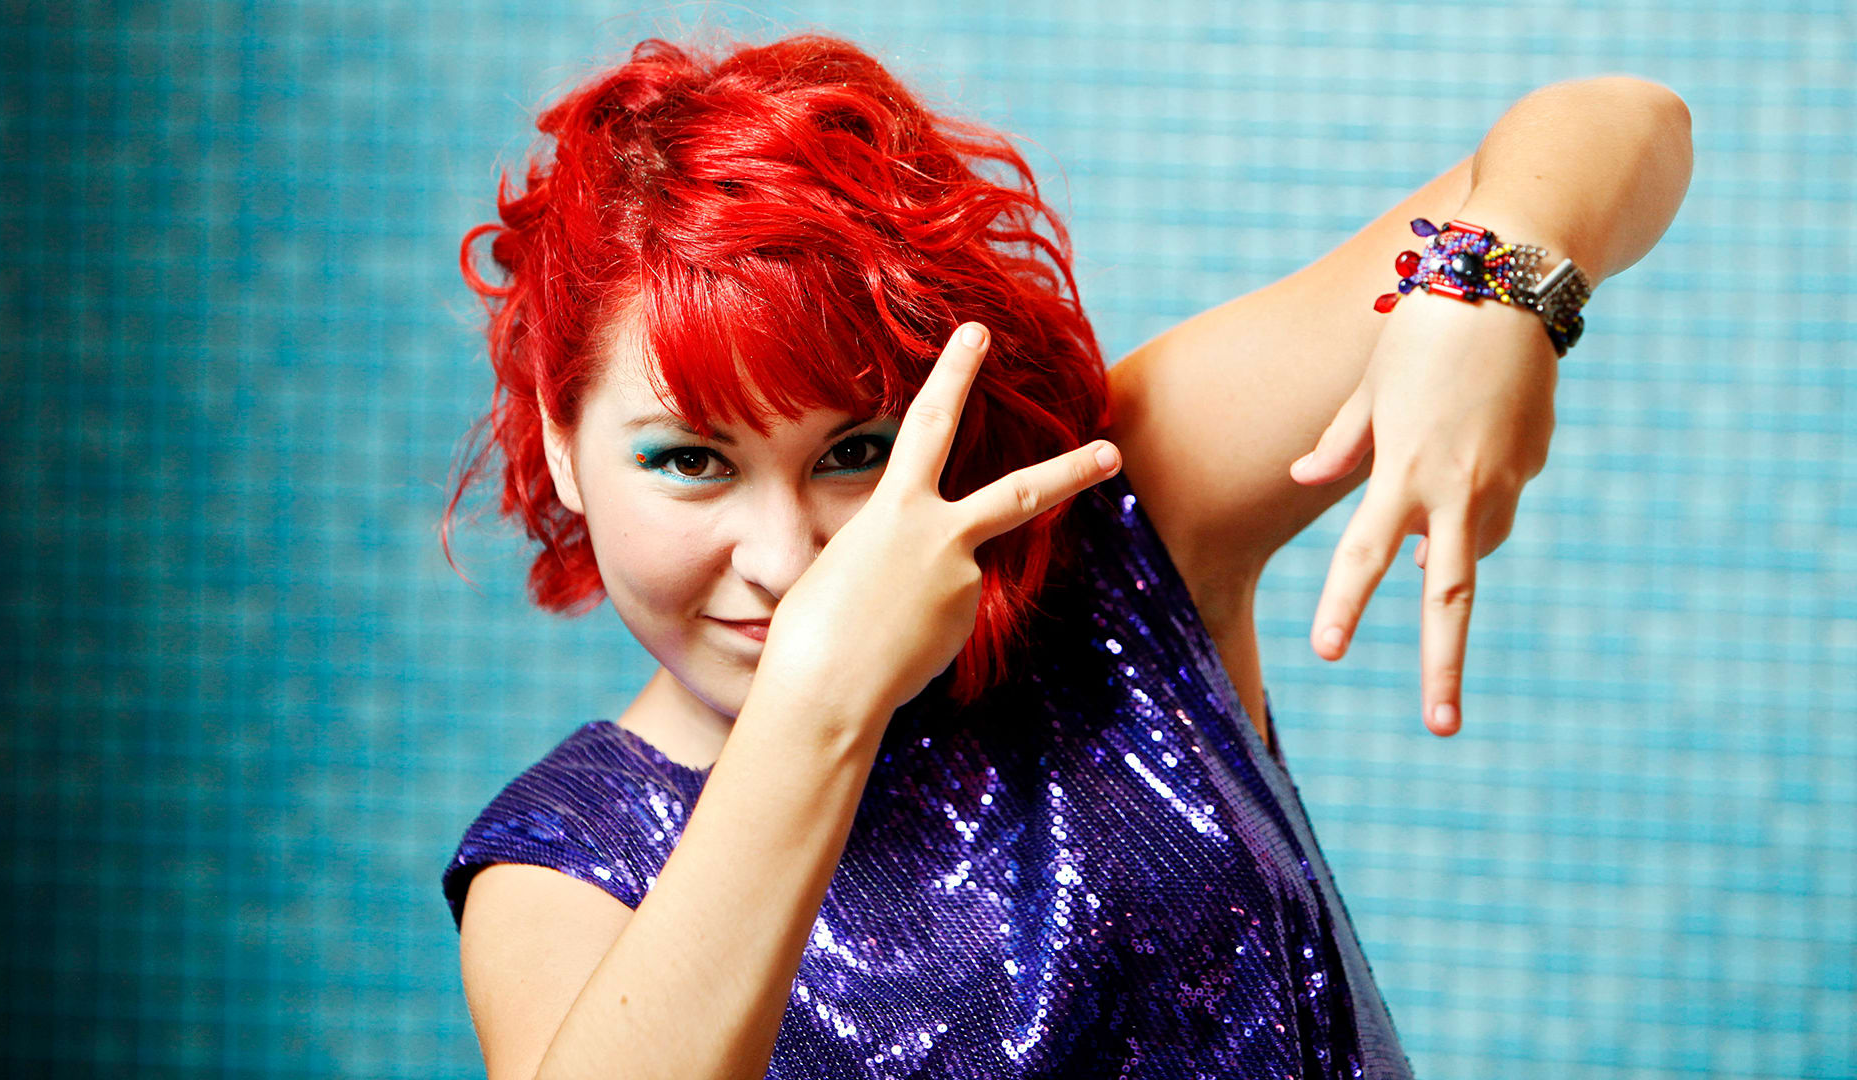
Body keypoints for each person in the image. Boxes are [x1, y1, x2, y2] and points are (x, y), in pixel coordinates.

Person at [437, 33, 1691, 1080]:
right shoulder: (556, 875)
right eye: (689, 461)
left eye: (856, 450)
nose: (784, 559)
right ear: (559, 444)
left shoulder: (1112, 523)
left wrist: (1490, 291)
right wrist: (821, 702)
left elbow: (1625, 122)